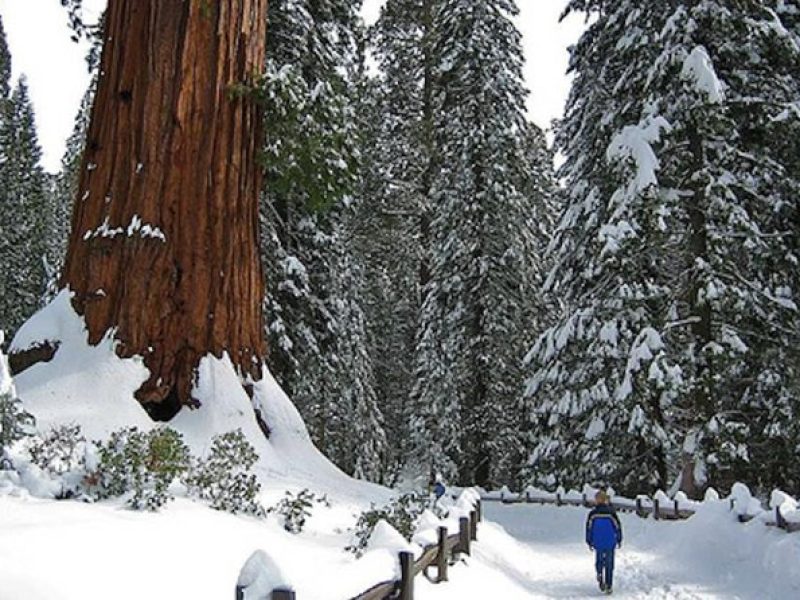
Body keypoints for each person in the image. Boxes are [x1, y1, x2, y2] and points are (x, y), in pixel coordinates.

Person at [585, 489, 623, 594]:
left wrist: (589, 540)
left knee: (599, 560)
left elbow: (589, 528)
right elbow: (617, 527)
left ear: (596, 501)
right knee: (609, 563)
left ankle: (599, 573)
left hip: (598, 541)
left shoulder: (592, 514)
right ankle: (609, 584)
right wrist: (619, 538)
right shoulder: (611, 513)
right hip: (610, 541)